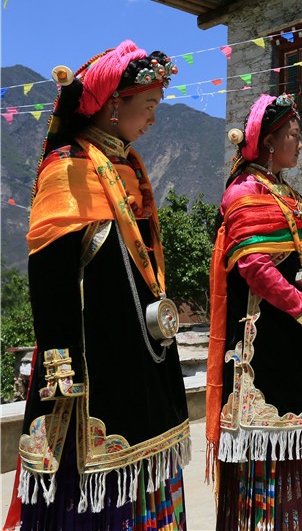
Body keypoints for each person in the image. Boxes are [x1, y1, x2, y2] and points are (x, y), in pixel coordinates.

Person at [14, 41, 189, 530]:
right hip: (91, 365)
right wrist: (60, 364)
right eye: (148, 105)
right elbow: (49, 274)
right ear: (114, 104)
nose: (153, 118)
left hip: (143, 353)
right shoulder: (67, 167)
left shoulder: (130, 168)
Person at [206, 93, 302, 530]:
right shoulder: (244, 192)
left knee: (298, 441)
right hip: (265, 343)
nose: (300, 143)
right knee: (269, 445)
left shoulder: (290, 195)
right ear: (269, 142)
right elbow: (255, 268)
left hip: (299, 336)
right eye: (294, 135)